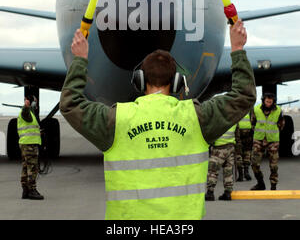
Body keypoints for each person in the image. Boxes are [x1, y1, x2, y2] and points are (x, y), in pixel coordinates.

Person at [59, 19, 256, 220]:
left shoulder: (117, 120)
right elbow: (243, 96)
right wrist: (237, 49)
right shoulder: (196, 118)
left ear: (140, 80)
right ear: (177, 82)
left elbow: (70, 104)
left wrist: (80, 59)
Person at [250, 92, 285, 191]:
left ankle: (273, 186)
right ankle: (260, 183)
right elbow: (253, 123)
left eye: (270, 102)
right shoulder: (256, 109)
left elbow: (281, 125)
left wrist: (272, 134)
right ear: (263, 101)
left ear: (273, 102)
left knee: (273, 165)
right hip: (259, 139)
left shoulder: (278, 110)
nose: (268, 104)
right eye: (267, 102)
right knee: (254, 163)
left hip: (273, 140)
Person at [17, 96, 44, 200]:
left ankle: (25, 190)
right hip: (30, 145)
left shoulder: (30, 115)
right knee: (32, 167)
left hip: (25, 144)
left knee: (25, 167)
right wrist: (26, 106)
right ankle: (32, 190)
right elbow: (25, 112)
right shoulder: (26, 113)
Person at [205, 124, 238, 201]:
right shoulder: (233, 118)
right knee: (228, 171)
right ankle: (228, 193)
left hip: (219, 148)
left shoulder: (218, 119)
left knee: (213, 171)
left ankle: (210, 193)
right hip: (230, 147)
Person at [236, 111, 253, 181]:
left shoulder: (235, 109)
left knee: (238, 155)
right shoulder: (249, 110)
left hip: (238, 134)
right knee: (247, 154)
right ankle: (246, 172)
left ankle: (241, 174)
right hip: (248, 134)